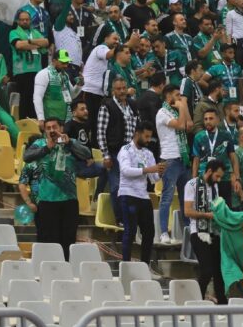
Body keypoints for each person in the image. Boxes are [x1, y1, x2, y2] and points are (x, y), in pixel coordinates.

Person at [23, 117, 92, 260]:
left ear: (61, 128)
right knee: (48, 241)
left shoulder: (70, 143)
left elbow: (87, 154)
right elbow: (26, 156)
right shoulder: (40, 143)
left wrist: (71, 142)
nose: (51, 130)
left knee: (68, 240)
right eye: (48, 128)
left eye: (54, 127)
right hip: (47, 200)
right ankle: (48, 270)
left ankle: (66, 270)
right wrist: (47, 148)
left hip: (69, 200)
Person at [117, 122, 164, 263]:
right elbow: (125, 171)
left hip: (143, 196)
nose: (149, 140)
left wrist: (160, 172)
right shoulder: (125, 150)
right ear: (137, 134)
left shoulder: (148, 153)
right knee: (130, 231)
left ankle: (145, 264)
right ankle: (125, 264)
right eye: (146, 136)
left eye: (150, 137)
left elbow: (153, 179)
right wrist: (149, 170)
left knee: (149, 233)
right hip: (128, 194)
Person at [184, 159, 227, 304]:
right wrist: (206, 215)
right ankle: (197, 300)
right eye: (217, 176)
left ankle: (222, 301)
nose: (218, 180)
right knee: (207, 270)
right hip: (198, 232)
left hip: (214, 231)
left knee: (219, 270)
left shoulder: (215, 187)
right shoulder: (192, 185)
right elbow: (188, 211)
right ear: (209, 172)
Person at [97, 77, 138, 223]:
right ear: (113, 91)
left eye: (124, 88)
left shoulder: (132, 104)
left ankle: (131, 218)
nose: (122, 91)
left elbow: (136, 129)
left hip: (131, 153)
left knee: (132, 187)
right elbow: (101, 132)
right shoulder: (106, 106)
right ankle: (120, 219)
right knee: (116, 187)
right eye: (118, 89)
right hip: (114, 153)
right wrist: (106, 155)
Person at [156, 84, 193, 243]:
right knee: (167, 197)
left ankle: (188, 232)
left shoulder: (177, 111)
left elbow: (188, 126)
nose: (179, 98)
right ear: (168, 96)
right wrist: (183, 105)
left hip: (183, 158)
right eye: (177, 95)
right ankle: (164, 232)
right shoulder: (162, 112)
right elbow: (179, 125)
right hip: (170, 159)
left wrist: (182, 107)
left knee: (187, 198)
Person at [191, 109, 242, 207]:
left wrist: (237, 178)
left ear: (218, 120)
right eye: (205, 119)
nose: (208, 121)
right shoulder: (199, 137)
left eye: (211, 118)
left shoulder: (226, 135)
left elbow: (233, 158)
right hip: (205, 178)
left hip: (224, 178)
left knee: (225, 207)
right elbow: (196, 160)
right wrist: (194, 179)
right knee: (207, 207)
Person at [10, 9, 50, 119]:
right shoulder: (14, 32)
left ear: (30, 20)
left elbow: (46, 42)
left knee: (36, 97)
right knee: (25, 97)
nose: (24, 22)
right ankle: (23, 121)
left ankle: (35, 120)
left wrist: (30, 42)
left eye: (27, 19)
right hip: (22, 71)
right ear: (18, 21)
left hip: (37, 70)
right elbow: (19, 45)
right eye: (22, 20)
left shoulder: (35, 32)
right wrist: (37, 43)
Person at [33, 50, 82, 126]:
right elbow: (37, 97)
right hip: (50, 120)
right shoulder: (43, 74)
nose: (65, 65)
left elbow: (72, 96)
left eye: (67, 63)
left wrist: (79, 85)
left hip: (66, 120)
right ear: (54, 61)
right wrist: (41, 118)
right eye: (63, 63)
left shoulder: (65, 76)